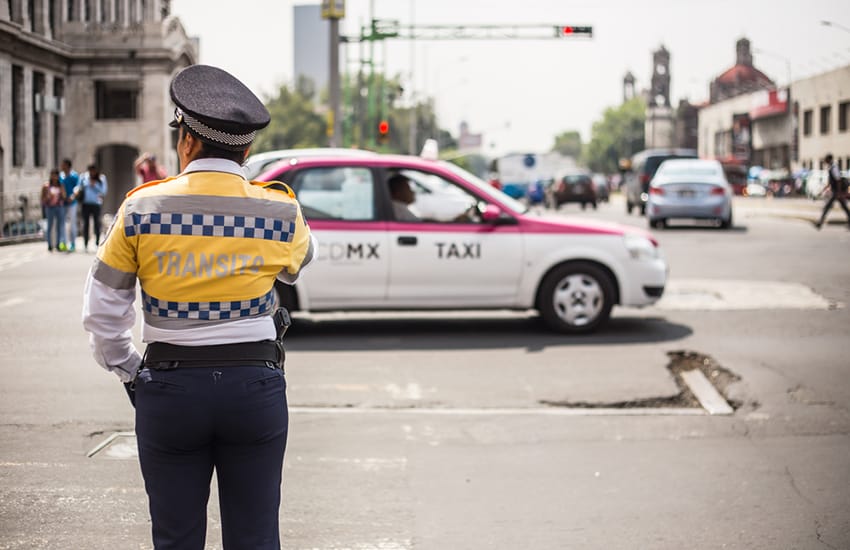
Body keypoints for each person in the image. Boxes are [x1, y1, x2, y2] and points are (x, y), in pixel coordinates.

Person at [82, 64, 315, 549]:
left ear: (186, 141)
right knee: (255, 537)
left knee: (175, 539)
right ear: (247, 148)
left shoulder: (140, 209)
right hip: (255, 390)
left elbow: (103, 313)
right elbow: (300, 262)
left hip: (170, 389)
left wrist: (130, 370)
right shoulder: (280, 211)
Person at [814, 153, 850, 230]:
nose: (825, 161)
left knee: (828, 207)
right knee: (844, 207)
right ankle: (820, 222)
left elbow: (838, 180)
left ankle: (820, 222)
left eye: (826, 159)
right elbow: (830, 183)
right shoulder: (831, 168)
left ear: (829, 159)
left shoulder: (834, 167)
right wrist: (822, 191)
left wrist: (839, 192)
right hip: (836, 192)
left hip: (837, 192)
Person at [78, 164, 108, 251]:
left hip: (96, 204)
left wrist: (94, 185)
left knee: (97, 223)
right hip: (85, 204)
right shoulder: (84, 177)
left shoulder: (101, 178)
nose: (92, 173)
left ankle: (97, 242)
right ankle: (86, 243)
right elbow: (79, 188)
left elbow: (104, 191)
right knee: (86, 224)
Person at [40, 169, 66, 252]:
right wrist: (48, 197)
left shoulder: (60, 185)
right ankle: (50, 245)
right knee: (49, 226)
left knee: (59, 226)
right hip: (49, 207)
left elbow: (64, 196)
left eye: (56, 175)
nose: (54, 177)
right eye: (53, 175)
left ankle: (58, 244)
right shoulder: (46, 186)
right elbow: (42, 198)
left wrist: (61, 193)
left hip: (59, 207)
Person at [60, 158, 80, 252]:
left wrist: (72, 197)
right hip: (62, 202)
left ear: (68, 166)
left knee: (72, 223)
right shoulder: (61, 176)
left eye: (63, 165)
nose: (62, 166)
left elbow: (77, 187)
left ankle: (72, 243)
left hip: (72, 203)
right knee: (62, 223)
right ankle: (63, 242)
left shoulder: (74, 176)